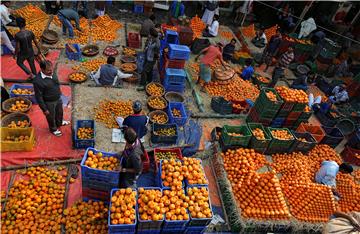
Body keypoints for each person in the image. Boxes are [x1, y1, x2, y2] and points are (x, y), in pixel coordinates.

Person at [33, 60, 70, 137]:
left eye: (51, 69)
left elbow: (56, 84)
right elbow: (38, 97)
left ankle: (59, 123)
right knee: (50, 116)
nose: (51, 71)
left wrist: (59, 93)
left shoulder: (52, 74)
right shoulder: (38, 81)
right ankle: (53, 129)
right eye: (48, 70)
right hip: (49, 102)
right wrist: (44, 109)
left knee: (59, 112)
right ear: (42, 70)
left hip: (57, 98)